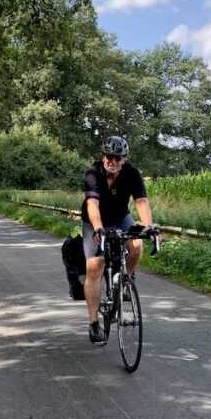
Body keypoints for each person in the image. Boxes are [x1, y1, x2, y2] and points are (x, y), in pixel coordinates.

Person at [81, 135, 157, 345]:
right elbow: (92, 204)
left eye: (118, 157)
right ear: (103, 156)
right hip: (95, 222)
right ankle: (94, 323)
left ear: (124, 159)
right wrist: (98, 229)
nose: (113, 161)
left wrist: (148, 226)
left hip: (121, 218)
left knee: (137, 245)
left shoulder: (132, 173)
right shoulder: (93, 173)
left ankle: (125, 280)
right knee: (95, 266)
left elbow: (141, 201)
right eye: (109, 156)